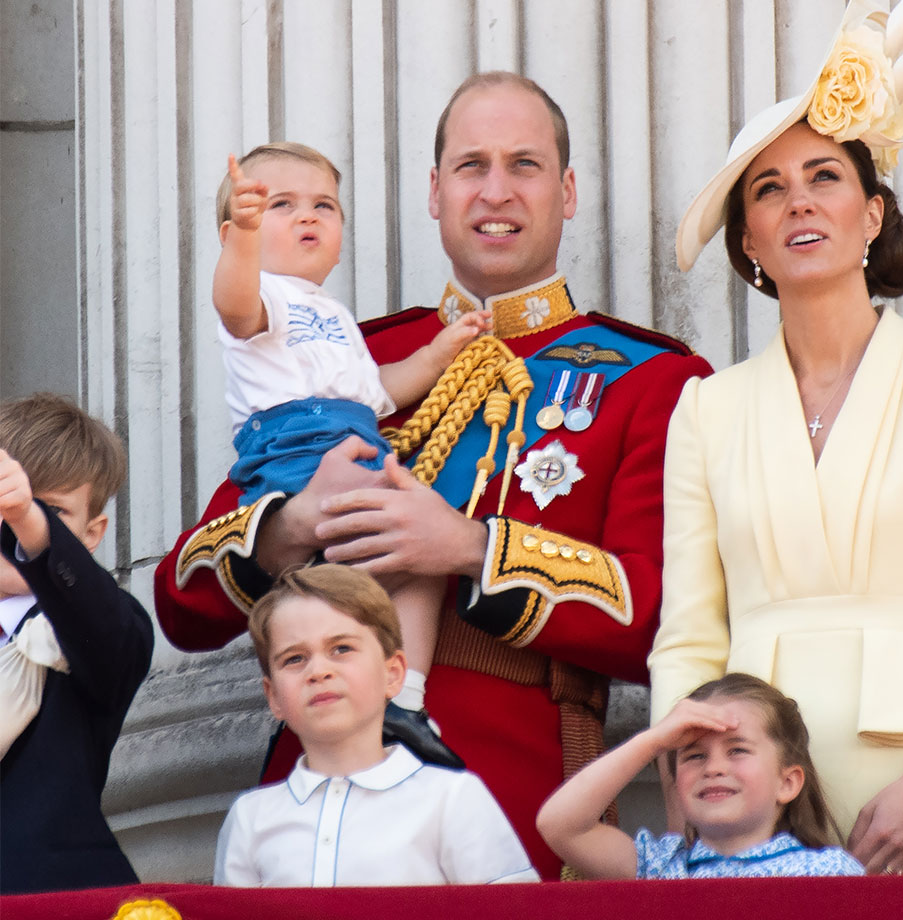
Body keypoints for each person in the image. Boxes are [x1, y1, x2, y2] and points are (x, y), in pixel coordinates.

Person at [155, 72, 713, 879]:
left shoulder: (651, 379)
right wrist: (290, 527)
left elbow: (659, 618)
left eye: (524, 165)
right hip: (320, 785)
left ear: (567, 191)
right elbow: (184, 601)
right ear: (433, 191)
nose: (496, 191)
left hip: (512, 787)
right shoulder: (350, 355)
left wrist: (472, 549)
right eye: (470, 166)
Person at [648, 1, 903, 875]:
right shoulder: (705, 410)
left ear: (872, 214)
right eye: (769, 187)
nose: (799, 202)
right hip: (741, 807)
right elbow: (687, 638)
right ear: (748, 241)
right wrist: (689, 809)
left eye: (824, 176)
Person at [214, 142, 492, 768]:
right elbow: (233, 305)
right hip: (294, 447)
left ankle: (406, 703)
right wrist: (244, 239)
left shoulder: (335, 316)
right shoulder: (262, 294)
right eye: (281, 204)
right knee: (350, 577)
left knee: (421, 557)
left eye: (324, 206)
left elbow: (381, 391)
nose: (308, 216)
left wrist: (440, 352)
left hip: (356, 439)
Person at [214, 564, 537, 886]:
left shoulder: (451, 798)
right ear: (274, 698)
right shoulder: (251, 818)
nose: (318, 670)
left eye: (341, 649)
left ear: (393, 674)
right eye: (295, 658)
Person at [0, 394, 154, 893]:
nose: (11, 526)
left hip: (46, 893)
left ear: (91, 534)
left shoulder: (103, 623)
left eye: (54, 509)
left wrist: (31, 522)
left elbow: (105, 629)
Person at [537, 673, 863, 879]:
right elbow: (560, 825)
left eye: (737, 750)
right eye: (694, 755)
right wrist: (653, 741)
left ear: (787, 782)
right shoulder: (659, 867)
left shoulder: (829, 874)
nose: (714, 768)